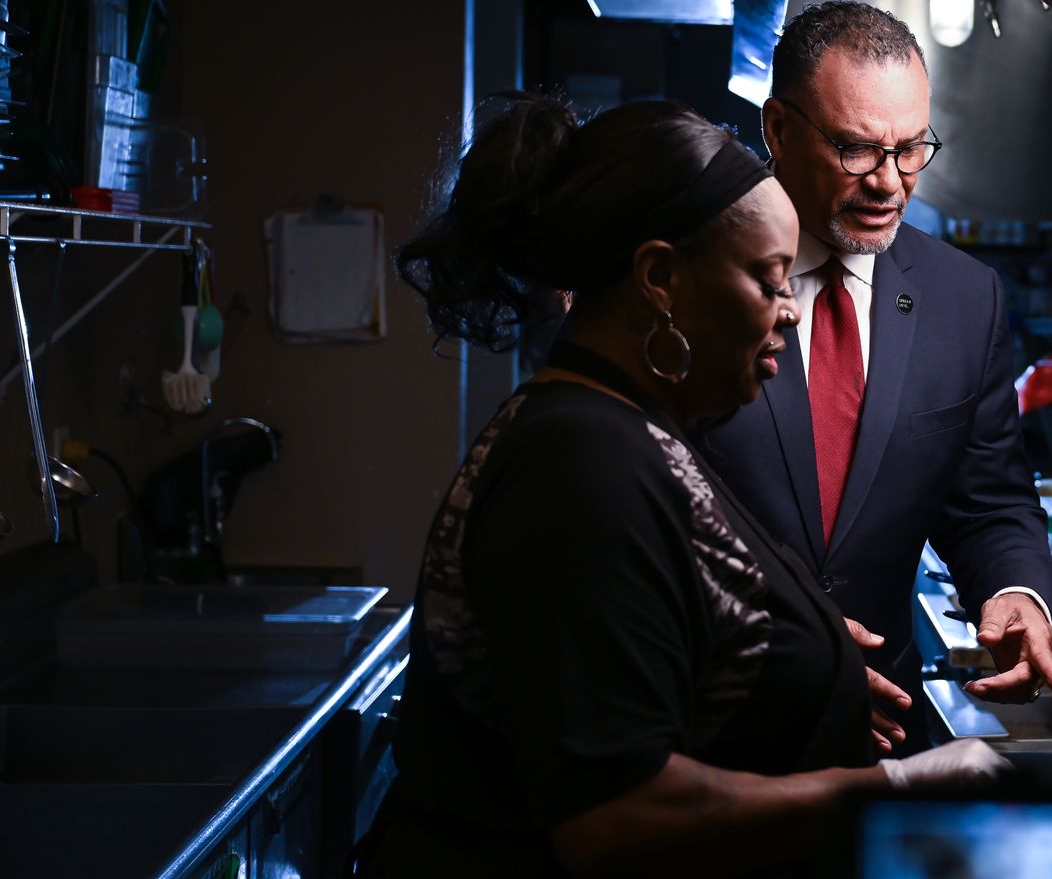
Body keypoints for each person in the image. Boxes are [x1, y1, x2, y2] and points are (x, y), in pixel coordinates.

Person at [363, 94, 1008, 878]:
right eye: (769, 281)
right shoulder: (579, 462)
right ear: (661, 277)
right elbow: (614, 816)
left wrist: (790, 664)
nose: (789, 314)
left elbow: (654, 631)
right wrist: (899, 787)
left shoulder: (631, 425)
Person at [705, 2, 1052, 752]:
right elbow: (637, 521)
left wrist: (1015, 592)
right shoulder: (697, 279)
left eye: (911, 150)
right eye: (857, 150)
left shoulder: (966, 300)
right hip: (706, 720)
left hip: (874, 733)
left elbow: (989, 500)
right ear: (777, 129)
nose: (891, 184)